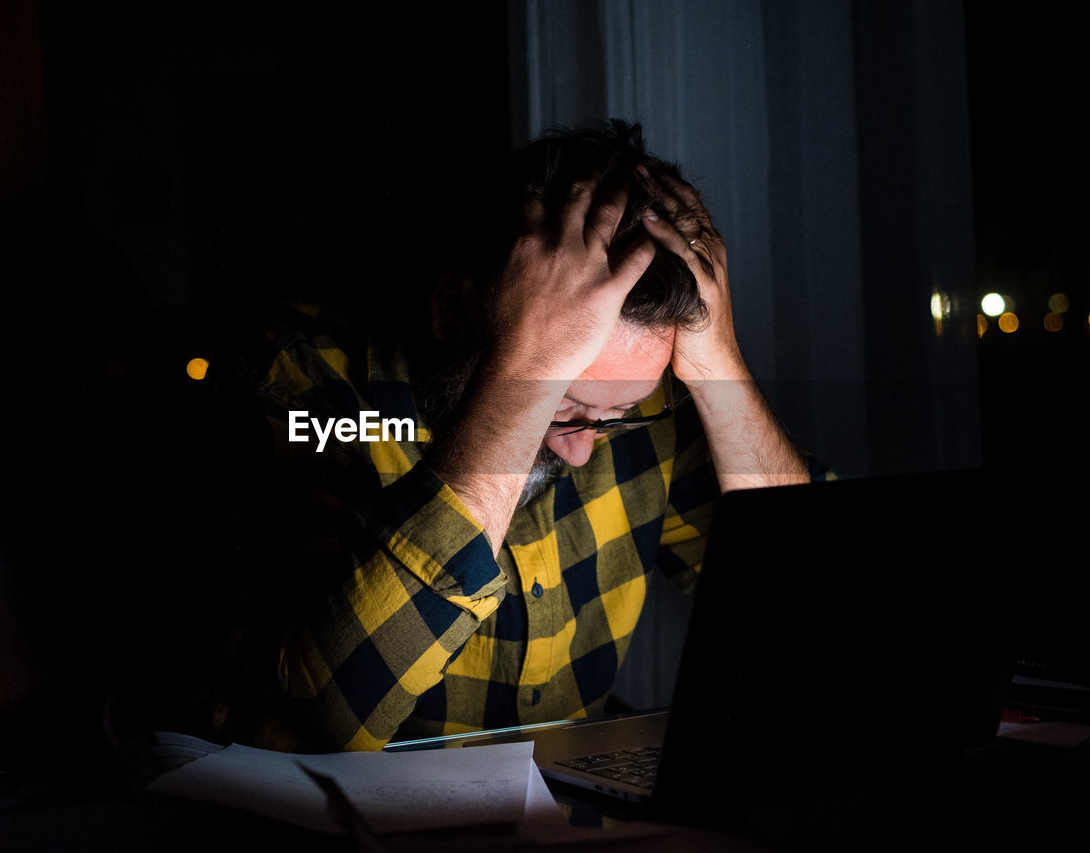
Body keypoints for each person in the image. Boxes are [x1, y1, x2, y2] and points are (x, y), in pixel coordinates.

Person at [213, 120, 829, 753]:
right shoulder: (300, 389)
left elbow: (807, 604)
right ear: (454, 314)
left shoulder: (636, 412)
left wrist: (719, 365)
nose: (584, 447)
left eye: (618, 415)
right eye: (561, 407)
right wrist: (524, 379)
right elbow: (329, 714)